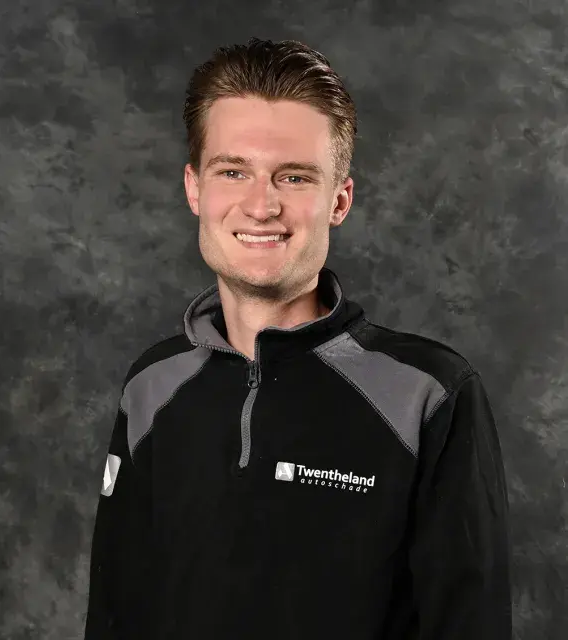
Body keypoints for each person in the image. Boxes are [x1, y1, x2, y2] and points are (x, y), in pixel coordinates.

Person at [84, 37, 512, 640]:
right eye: (233, 171)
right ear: (195, 189)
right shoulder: (151, 385)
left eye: (293, 177)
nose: (262, 206)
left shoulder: (430, 395)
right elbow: (113, 616)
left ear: (339, 199)